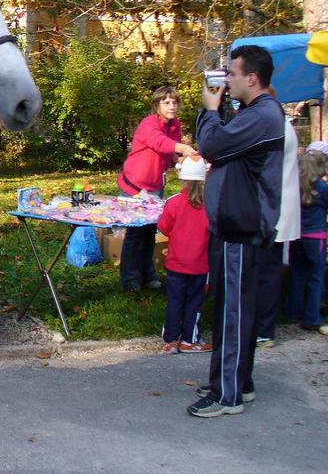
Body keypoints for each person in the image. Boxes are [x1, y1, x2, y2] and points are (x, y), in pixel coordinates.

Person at [189, 45, 284, 418]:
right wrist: (216, 110)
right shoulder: (254, 113)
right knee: (236, 309)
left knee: (233, 314)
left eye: (231, 73)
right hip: (236, 226)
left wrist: (210, 109)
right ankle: (238, 382)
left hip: (240, 229)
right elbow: (222, 145)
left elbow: (212, 145)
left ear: (252, 78)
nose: (226, 79)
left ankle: (226, 394)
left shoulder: (263, 115)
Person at [117, 86, 198, 292]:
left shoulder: (175, 125)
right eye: (167, 102)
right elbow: (160, 143)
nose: (172, 106)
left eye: (175, 102)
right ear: (157, 105)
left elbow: (170, 152)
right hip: (134, 187)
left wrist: (182, 161)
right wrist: (182, 148)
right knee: (135, 235)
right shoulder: (148, 124)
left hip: (155, 188)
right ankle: (130, 281)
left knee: (150, 232)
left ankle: (147, 275)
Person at [157, 156, 211, 354]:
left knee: (175, 301)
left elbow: (163, 228)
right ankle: (190, 340)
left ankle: (170, 340)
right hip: (200, 264)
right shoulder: (211, 205)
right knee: (194, 303)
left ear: (181, 178)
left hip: (176, 263)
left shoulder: (173, 203)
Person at [256, 109, 300, 348]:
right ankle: (265, 327)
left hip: (272, 208)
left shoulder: (272, 126)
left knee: (265, 271)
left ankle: (263, 328)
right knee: (269, 270)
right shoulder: (284, 125)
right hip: (280, 206)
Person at [283, 148, 328, 331]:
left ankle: (293, 311)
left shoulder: (295, 186)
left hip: (297, 234)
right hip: (315, 236)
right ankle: (311, 317)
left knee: (297, 273)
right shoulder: (322, 188)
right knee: (316, 277)